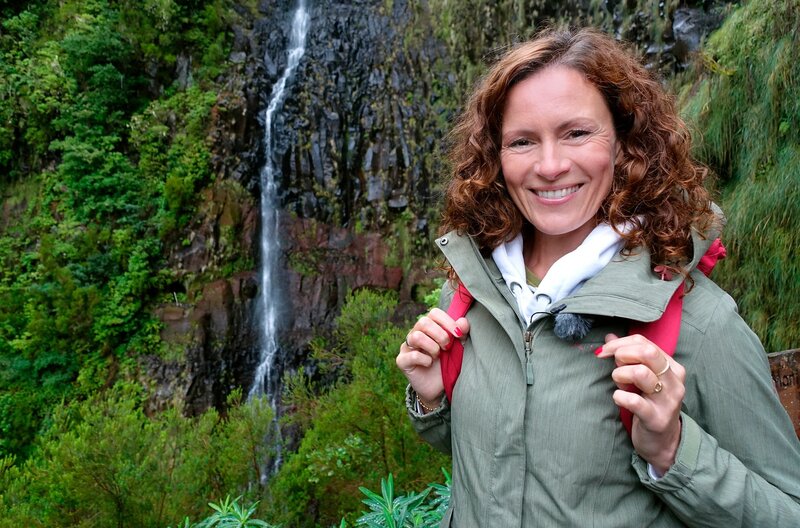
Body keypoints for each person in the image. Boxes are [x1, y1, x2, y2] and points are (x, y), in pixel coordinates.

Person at [395, 27, 800, 527]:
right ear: (495, 157)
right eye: (522, 141)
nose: (550, 166)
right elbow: (510, 463)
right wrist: (434, 400)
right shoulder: (471, 294)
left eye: (576, 133)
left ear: (625, 143)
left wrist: (672, 451)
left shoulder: (701, 323)